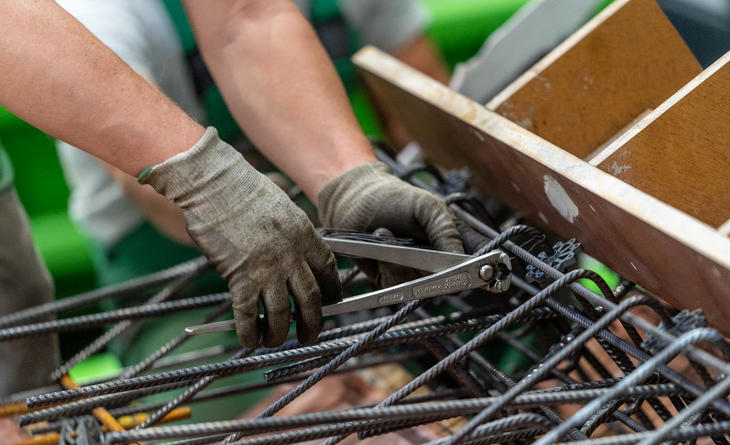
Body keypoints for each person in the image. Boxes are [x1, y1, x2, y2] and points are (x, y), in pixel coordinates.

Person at [0, 0, 462, 393]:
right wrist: (212, 185)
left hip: (309, 247)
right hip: (175, 274)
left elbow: (246, 18)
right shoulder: (103, 15)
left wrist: (350, 181)